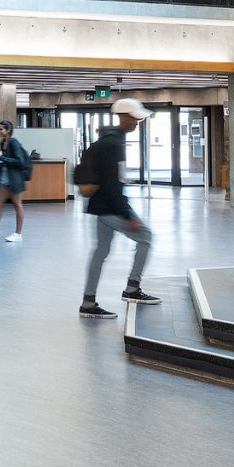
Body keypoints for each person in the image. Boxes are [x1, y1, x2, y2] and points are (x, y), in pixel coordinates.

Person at [80, 99, 160, 319]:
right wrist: (127, 216)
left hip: (100, 205)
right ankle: (132, 288)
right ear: (124, 117)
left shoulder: (107, 141)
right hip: (110, 207)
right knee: (145, 237)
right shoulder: (114, 145)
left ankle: (88, 302)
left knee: (100, 252)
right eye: (135, 119)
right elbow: (113, 184)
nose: (138, 123)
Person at [0, 120, 29, 242]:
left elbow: (19, 161)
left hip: (14, 178)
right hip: (5, 178)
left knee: (17, 206)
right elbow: (6, 160)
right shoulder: (4, 143)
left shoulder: (13, 142)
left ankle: (18, 234)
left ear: (8, 130)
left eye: (1, 129)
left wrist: (1, 157)